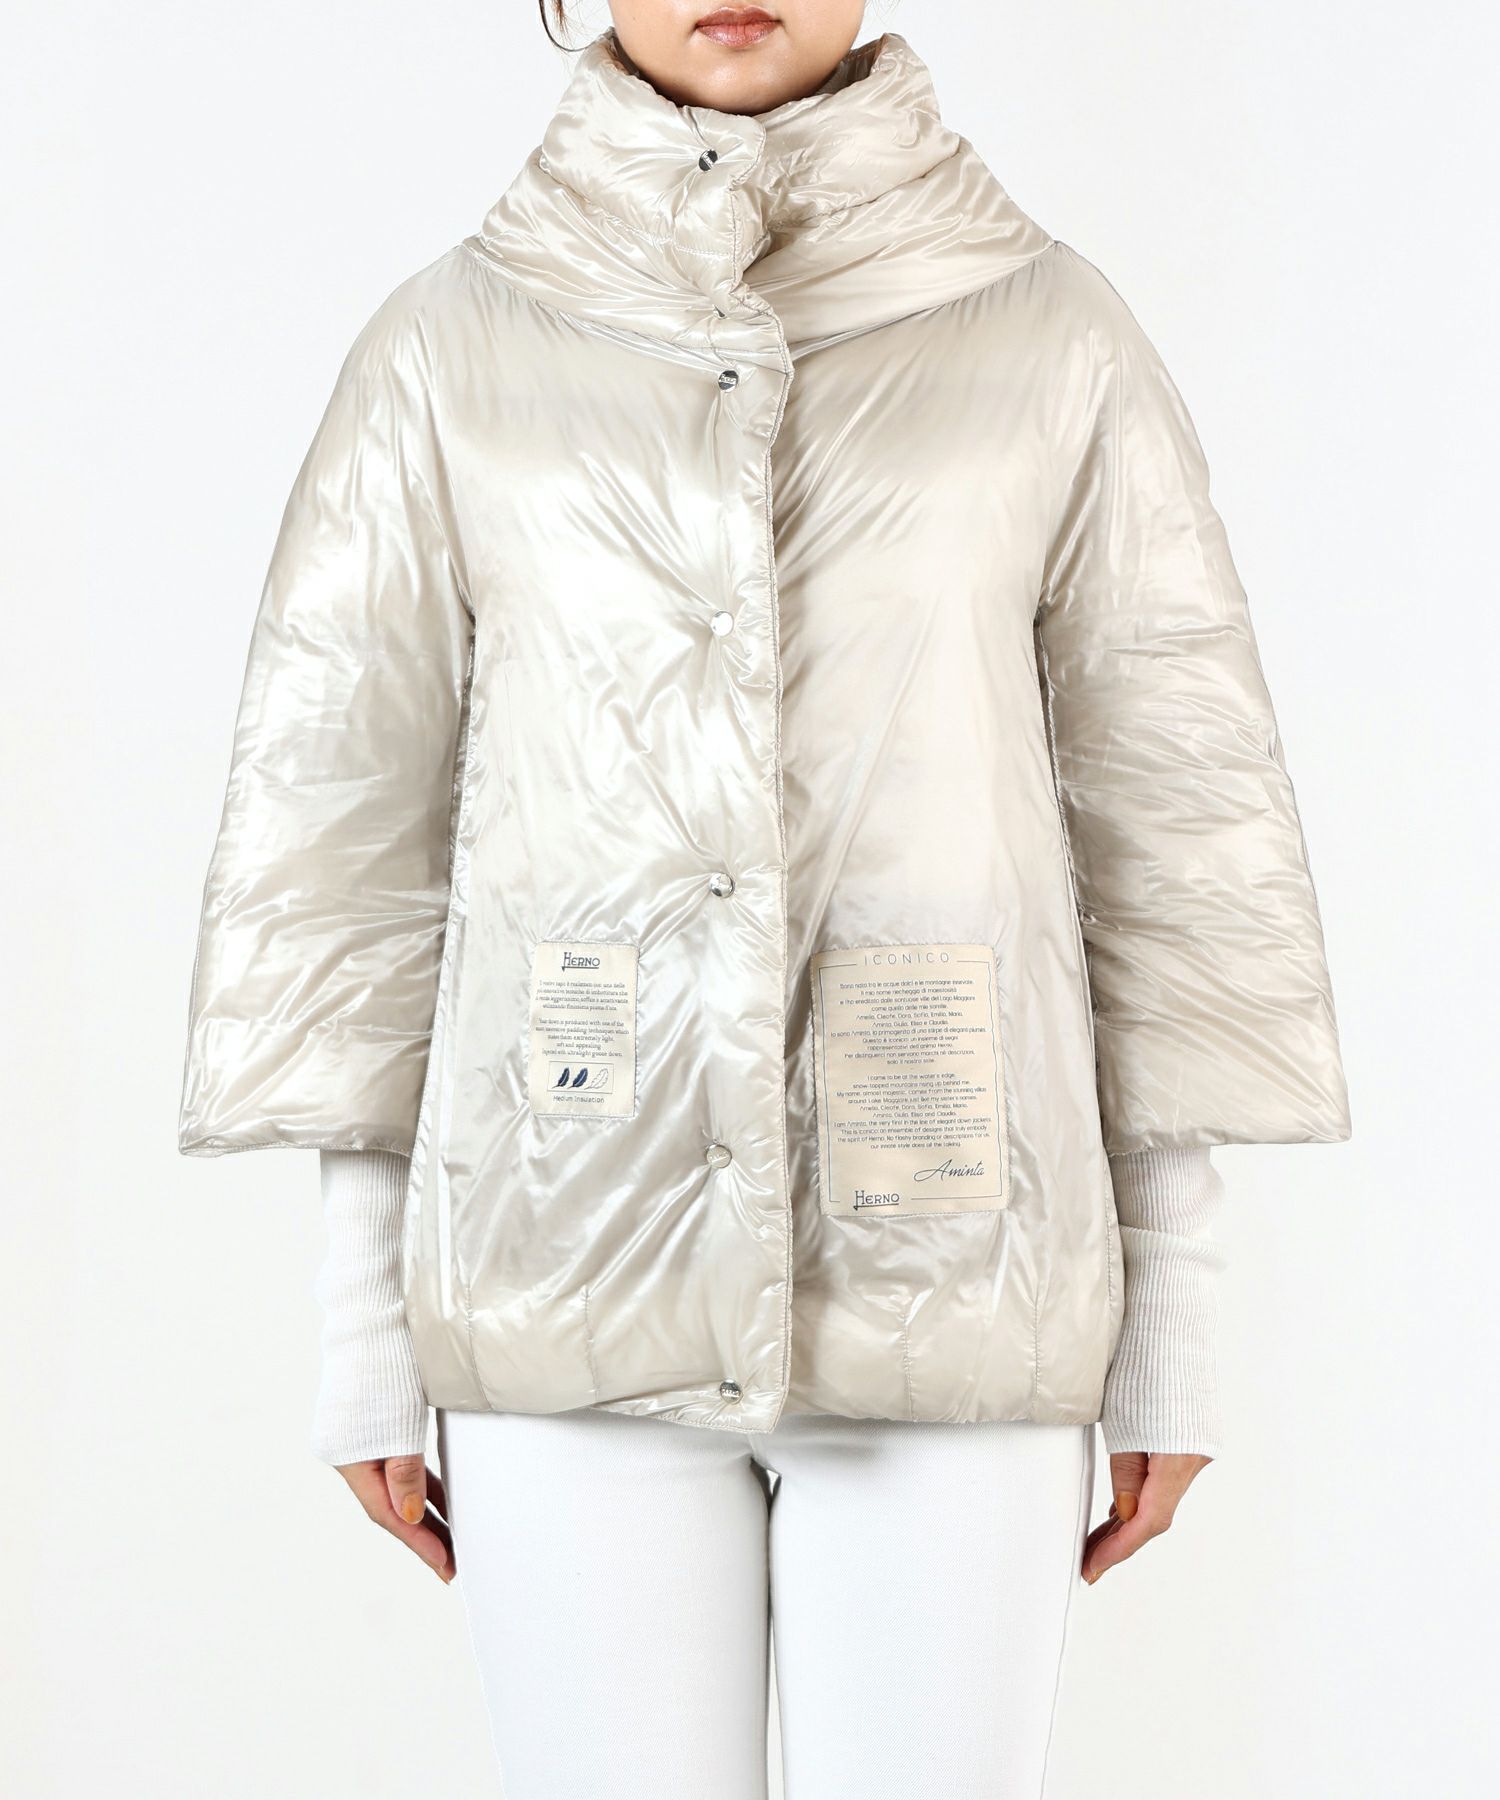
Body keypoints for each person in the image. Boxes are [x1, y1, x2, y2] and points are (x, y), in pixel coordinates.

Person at [177, 4, 1351, 1794]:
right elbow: (347, 837)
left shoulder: (1048, 334)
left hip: (960, 1266)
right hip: (565, 1251)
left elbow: (1177, 819)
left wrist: (1173, 1316)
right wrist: (362, 1323)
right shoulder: (451, 348)